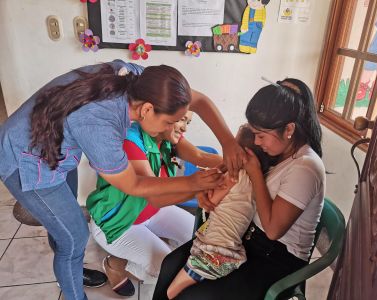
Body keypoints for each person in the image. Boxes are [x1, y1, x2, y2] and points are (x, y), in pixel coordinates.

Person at [0, 59, 245, 300]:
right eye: (170, 122)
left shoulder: (138, 80)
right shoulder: (101, 125)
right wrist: (194, 184)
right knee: (74, 237)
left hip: (55, 145)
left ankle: (70, 263)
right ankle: (73, 285)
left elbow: (199, 101)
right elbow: (134, 185)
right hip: (27, 157)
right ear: (147, 109)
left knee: (63, 229)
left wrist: (229, 143)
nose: (174, 128)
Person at [153, 78, 326, 300]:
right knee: (170, 265)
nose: (257, 140)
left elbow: (273, 230)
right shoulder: (277, 151)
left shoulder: (306, 167)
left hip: (275, 258)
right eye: (255, 133)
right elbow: (239, 163)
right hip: (247, 241)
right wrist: (209, 190)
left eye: (261, 135)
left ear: (289, 129)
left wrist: (255, 173)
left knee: (194, 295)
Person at [88, 110, 223, 296]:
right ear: (162, 115)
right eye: (181, 120)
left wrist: (236, 164)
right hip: (119, 223)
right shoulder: (130, 142)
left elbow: (200, 156)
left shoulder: (167, 136)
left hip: (153, 211)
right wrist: (198, 189)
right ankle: (117, 263)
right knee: (170, 271)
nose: (184, 127)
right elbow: (155, 196)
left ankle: (131, 255)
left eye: (188, 122)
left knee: (204, 238)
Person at [166, 125, 271, 299]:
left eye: (232, 146)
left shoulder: (231, 177)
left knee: (171, 293)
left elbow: (209, 204)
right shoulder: (258, 181)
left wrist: (208, 183)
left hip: (212, 253)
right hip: (230, 253)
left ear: (241, 154)